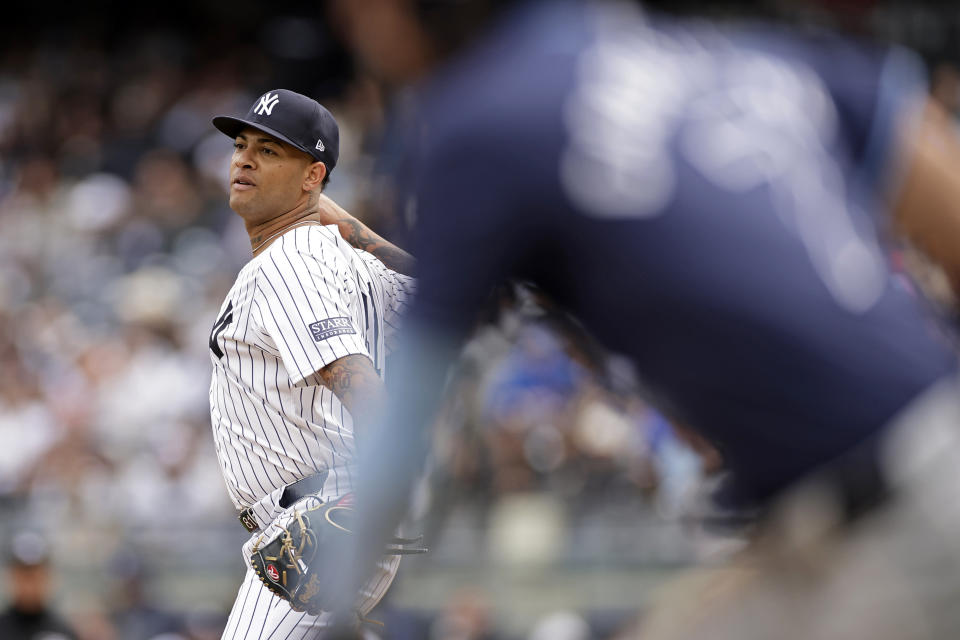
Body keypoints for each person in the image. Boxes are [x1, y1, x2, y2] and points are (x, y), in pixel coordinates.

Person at [320, 1, 960, 637]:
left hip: (898, 519)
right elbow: (941, 188)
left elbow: (397, 430)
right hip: (863, 498)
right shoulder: (728, 53)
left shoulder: (478, 122)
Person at [207, 88, 416, 638]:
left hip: (330, 513)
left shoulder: (289, 262)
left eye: (271, 151)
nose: (244, 158)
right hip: (331, 512)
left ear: (312, 174)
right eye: (242, 144)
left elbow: (356, 381)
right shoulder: (344, 260)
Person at [0, 531, 78, 640]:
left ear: (48, 577)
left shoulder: (63, 631)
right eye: (24, 576)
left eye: (35, 576)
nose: (29, 586)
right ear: (11, 576)